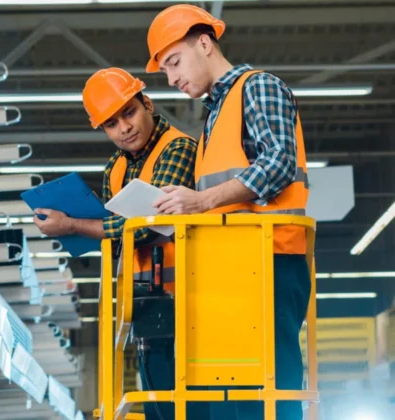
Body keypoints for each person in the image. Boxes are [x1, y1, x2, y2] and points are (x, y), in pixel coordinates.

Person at [146, 4, 313, 420]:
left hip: (270, 261)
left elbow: (278, 162)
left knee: (271, 391)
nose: (172, 79)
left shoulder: (258, 88)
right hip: (232, 269)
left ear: (204, 43)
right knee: (233, 396)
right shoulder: (214, 117)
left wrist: (201, 201)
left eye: (174, 62)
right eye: (166, 70)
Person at [31, 67, 203, 420]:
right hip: (144, 298)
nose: (124, 127)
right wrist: (81, 225)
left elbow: (143, 228)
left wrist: (74, 224)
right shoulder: (115, 168)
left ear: (148, 104)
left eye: (129, 112)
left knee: (187, 405)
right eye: (111, 123)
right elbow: (118, 241)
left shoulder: (179, 149)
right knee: (159, 404)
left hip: (187, 297)